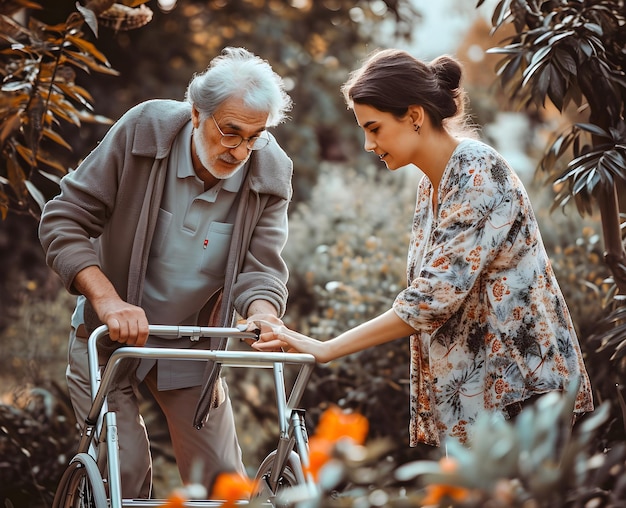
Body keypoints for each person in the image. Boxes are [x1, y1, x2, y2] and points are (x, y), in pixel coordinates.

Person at [251, 48, 594, 448]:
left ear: (414, 116)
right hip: (480, 401)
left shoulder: (477, 171)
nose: (367, 144)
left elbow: (431, 299)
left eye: (374, 128)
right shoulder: (431, 186)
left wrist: (327, 348)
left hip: (522, 391)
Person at [39, 47, 293, 497]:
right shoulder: (144, 132)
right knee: (126, 470)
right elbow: (65, 219)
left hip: (192, 344)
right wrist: (108, 300)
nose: (240, 151)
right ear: (197, 113)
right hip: (111, 336)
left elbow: (261, 269)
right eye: (230, 132)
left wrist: (264, 314)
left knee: (223, 485)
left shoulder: (269, 171)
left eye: (254, 137)